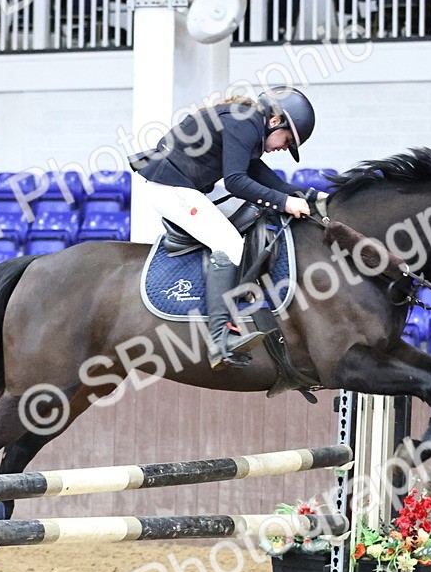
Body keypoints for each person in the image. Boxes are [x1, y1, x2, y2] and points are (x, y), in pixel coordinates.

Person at [130, 86, 323, 369]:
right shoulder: (245, 124)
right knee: (228, 243)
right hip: (168, 187)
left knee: (254, 212)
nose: (285, 147)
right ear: (275, 120)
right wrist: (285, 203)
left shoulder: (247, 125)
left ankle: (241, 290)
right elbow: (235, 182)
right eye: (288, 139)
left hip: (186, 185)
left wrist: (311, 196)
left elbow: (272, 183)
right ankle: (219, 339)